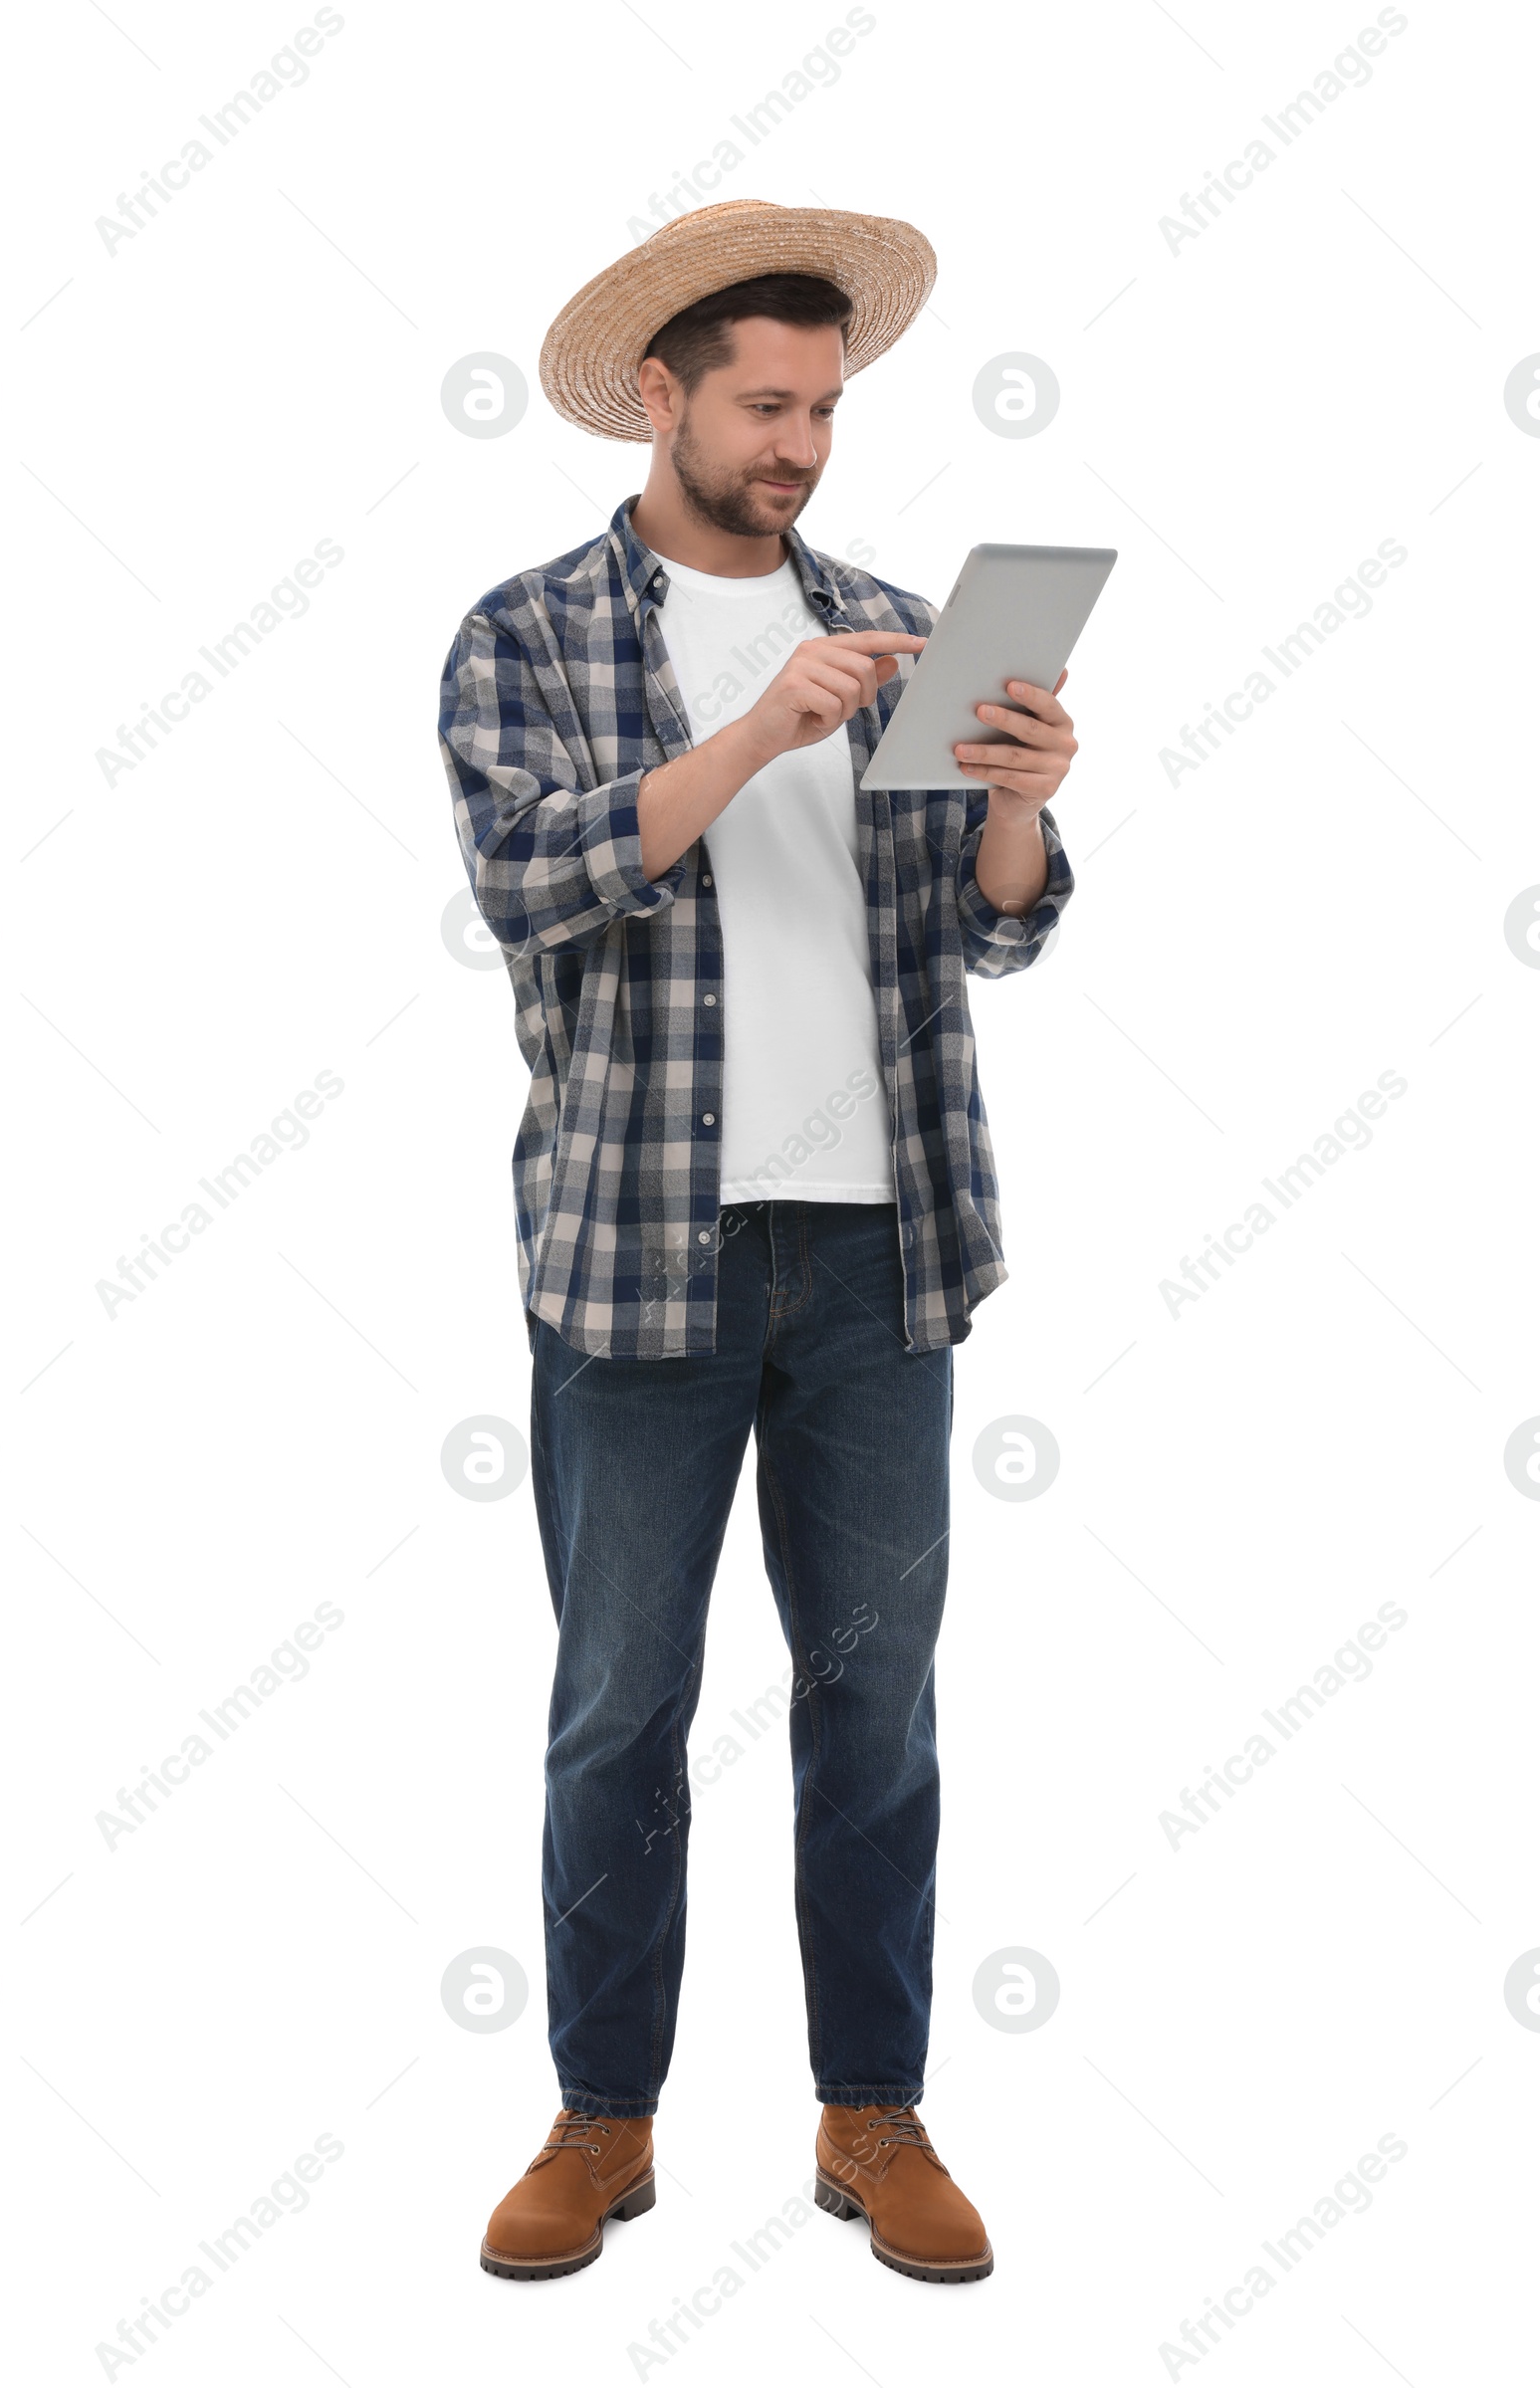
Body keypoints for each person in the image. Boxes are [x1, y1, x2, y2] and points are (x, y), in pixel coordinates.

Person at [438, 198, 1079, 2285]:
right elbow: (533, 880)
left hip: (878, 1265)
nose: (801, 440)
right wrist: (751, 734)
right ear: (665, 395)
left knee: (873, 1701)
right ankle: (600, 2121)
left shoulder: (898, 620)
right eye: (765, 402)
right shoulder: (527, 630)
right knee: (619, 1705)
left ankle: (868, 2111)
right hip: (639, 1263)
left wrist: (1011, 793)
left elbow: (978, 934)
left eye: (823, 404)